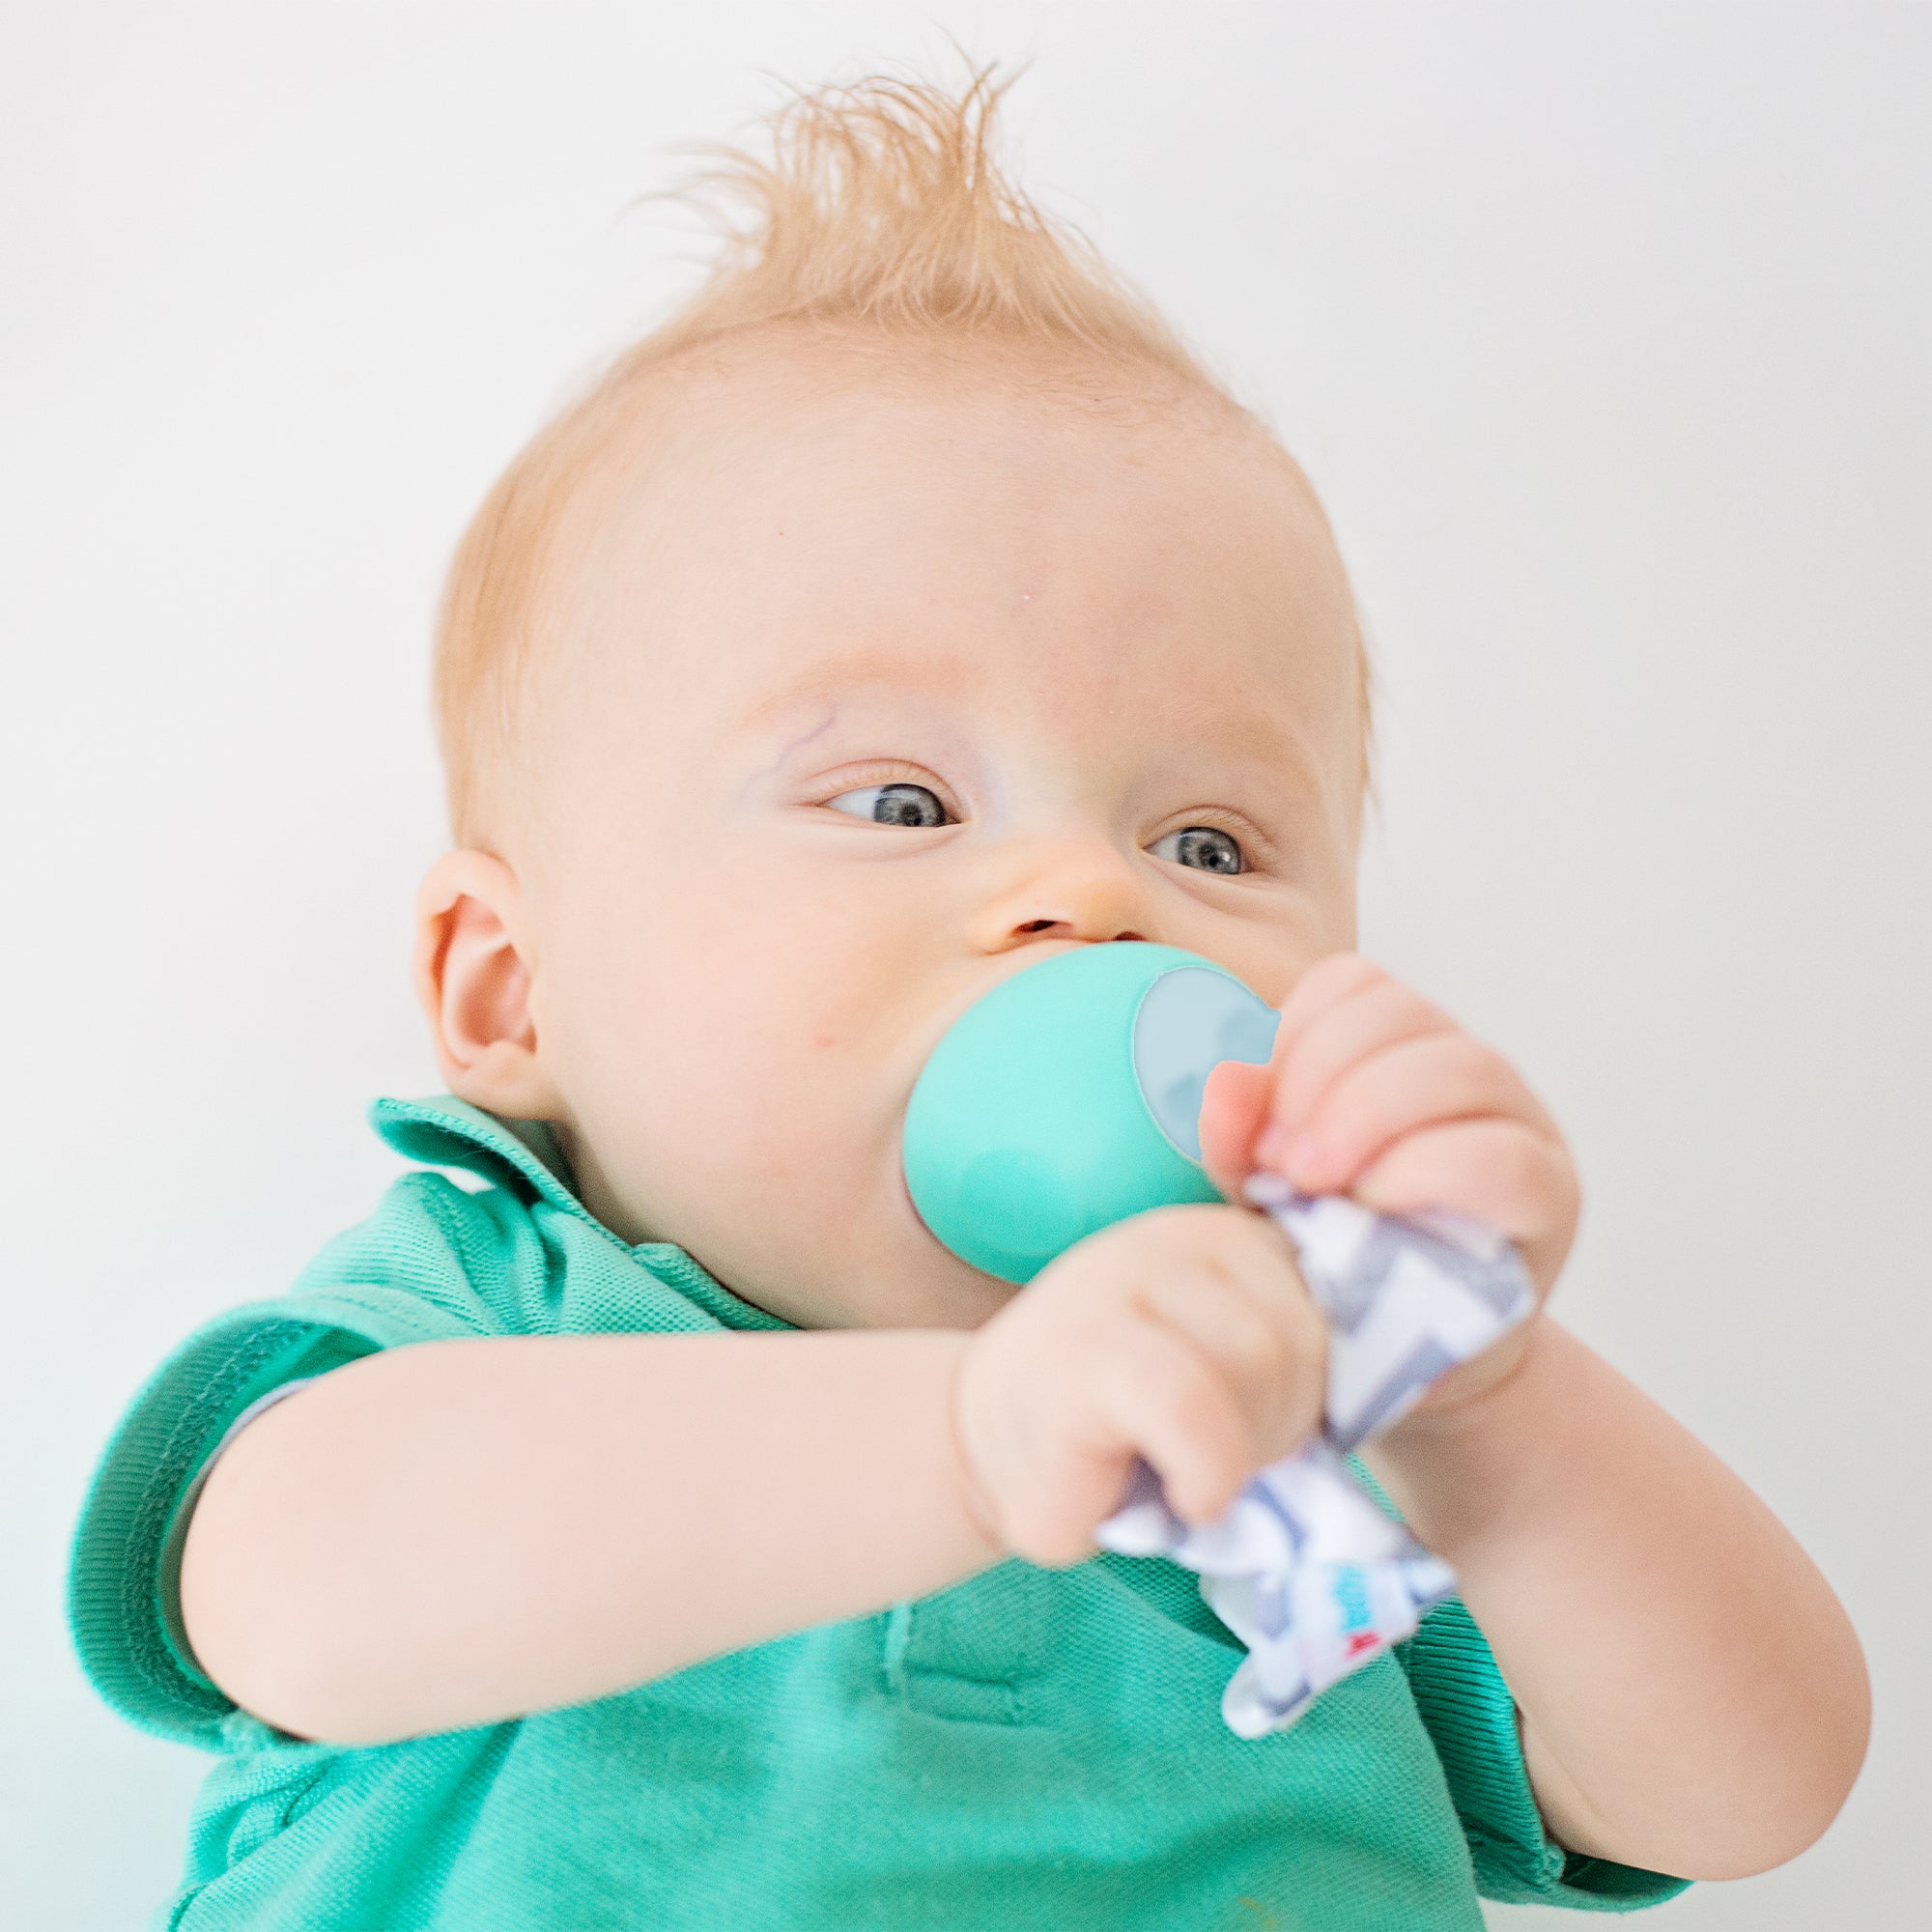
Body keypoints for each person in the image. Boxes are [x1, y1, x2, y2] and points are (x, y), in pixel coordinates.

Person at [67, 64, 1869, 1931]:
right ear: (512, 992)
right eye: (902, 804)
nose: (1090, 900)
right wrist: (970, 1438)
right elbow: (299, 1593)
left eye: (1213, 845)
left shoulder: (1316, 1410)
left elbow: (1752, 1792)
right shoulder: (489, 1316)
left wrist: (1489, 1400)